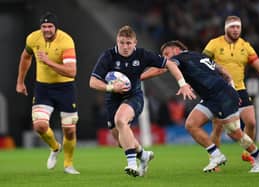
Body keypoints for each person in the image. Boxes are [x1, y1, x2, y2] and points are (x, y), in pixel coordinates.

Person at [140, 40, 259, 173]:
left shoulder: (179, 58)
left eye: (167, 53)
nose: (166, 57)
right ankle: (216, 155)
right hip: (215, 97)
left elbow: (161, 68)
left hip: (221, 97)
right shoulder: (199, 56)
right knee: (191, 124)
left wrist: (138, 77)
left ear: (176, 50)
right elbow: (224, 72)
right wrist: (232, 90)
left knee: (234, 132)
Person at [89, 25, 190, 177]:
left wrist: (182, 84)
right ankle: (143, 155)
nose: (125, 46)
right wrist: (111, 87)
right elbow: (92, 82)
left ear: (135, 43)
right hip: (112, 99)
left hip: (134, 97)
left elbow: (169, 63)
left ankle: (132, 164)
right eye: (122, 42)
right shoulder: (108, 56)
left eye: (128, 43)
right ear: (117, 41)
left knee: (121, 120)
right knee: (120, 140)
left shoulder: (142, 55)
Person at [202, 15, 259, 164]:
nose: (236, 30)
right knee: (217, 127)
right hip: (220, 91)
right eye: (232, 27)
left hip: (239, 89)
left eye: (238, 27)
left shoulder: (245, 46)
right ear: (226, 28)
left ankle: (247, 152)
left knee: (251, 123)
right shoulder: (214, 43)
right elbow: (202, 63)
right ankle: (215, 159)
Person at [16, 12, 80, 174]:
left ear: (55, 28)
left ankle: (68, 164)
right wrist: (20, 81)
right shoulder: (33, 38)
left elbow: (72, 72)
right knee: (39, 126)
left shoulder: (66, 41)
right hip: (43, 88)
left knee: (70, 130)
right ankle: (55, 147)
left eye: (50, 26)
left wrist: (48, 61)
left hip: (65, 89)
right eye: (44, 26)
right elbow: (25, 57)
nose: (46, 30)